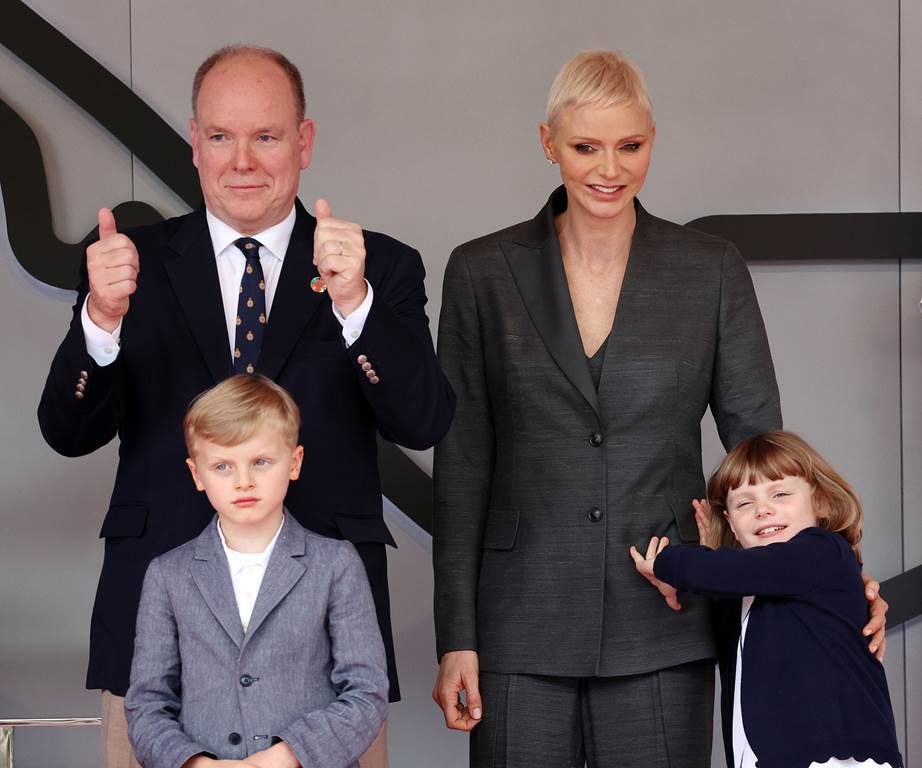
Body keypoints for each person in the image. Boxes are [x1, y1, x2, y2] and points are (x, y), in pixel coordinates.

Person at [431, 50, 887, 767]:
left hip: (666, 617)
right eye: (585, 147)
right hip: (519, 622)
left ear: (652, 138)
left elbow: (762, 452)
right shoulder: (480, 272)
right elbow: (461, 465)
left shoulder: (710, 269)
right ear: (548, 144)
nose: (608, 169)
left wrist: (837, 573)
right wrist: (457, 635)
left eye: (630, 146)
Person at [38, 44, 454, 768]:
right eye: (222, 136)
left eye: (265, 135)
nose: (243, 160)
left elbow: (422, 420)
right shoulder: (127, 263)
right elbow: (67, 431)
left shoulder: (377, 265)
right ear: (195, 143)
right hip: (153, 645)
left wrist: (355, 305)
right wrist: (101, 320)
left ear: (304, 141)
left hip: (327, 650)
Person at [126, 374, 388, 768]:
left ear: (294, 462)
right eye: (222, 466)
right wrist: (194, 764)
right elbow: (147, 703)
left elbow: (367, 693)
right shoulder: (168, 575)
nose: (243, 481)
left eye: (261, 462)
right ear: (197, 474)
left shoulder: (336, 564)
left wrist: (286, 757)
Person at [631, 431, 903, 768]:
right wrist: (693, 578)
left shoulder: (824, 551)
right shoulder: (739, 595)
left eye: (781, 493)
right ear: (729, 520)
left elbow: (727, 571)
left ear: (819, 502)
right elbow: (728, 580)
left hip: (837, 756)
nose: (763, 510)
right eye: (744, 503)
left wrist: (666, 563)